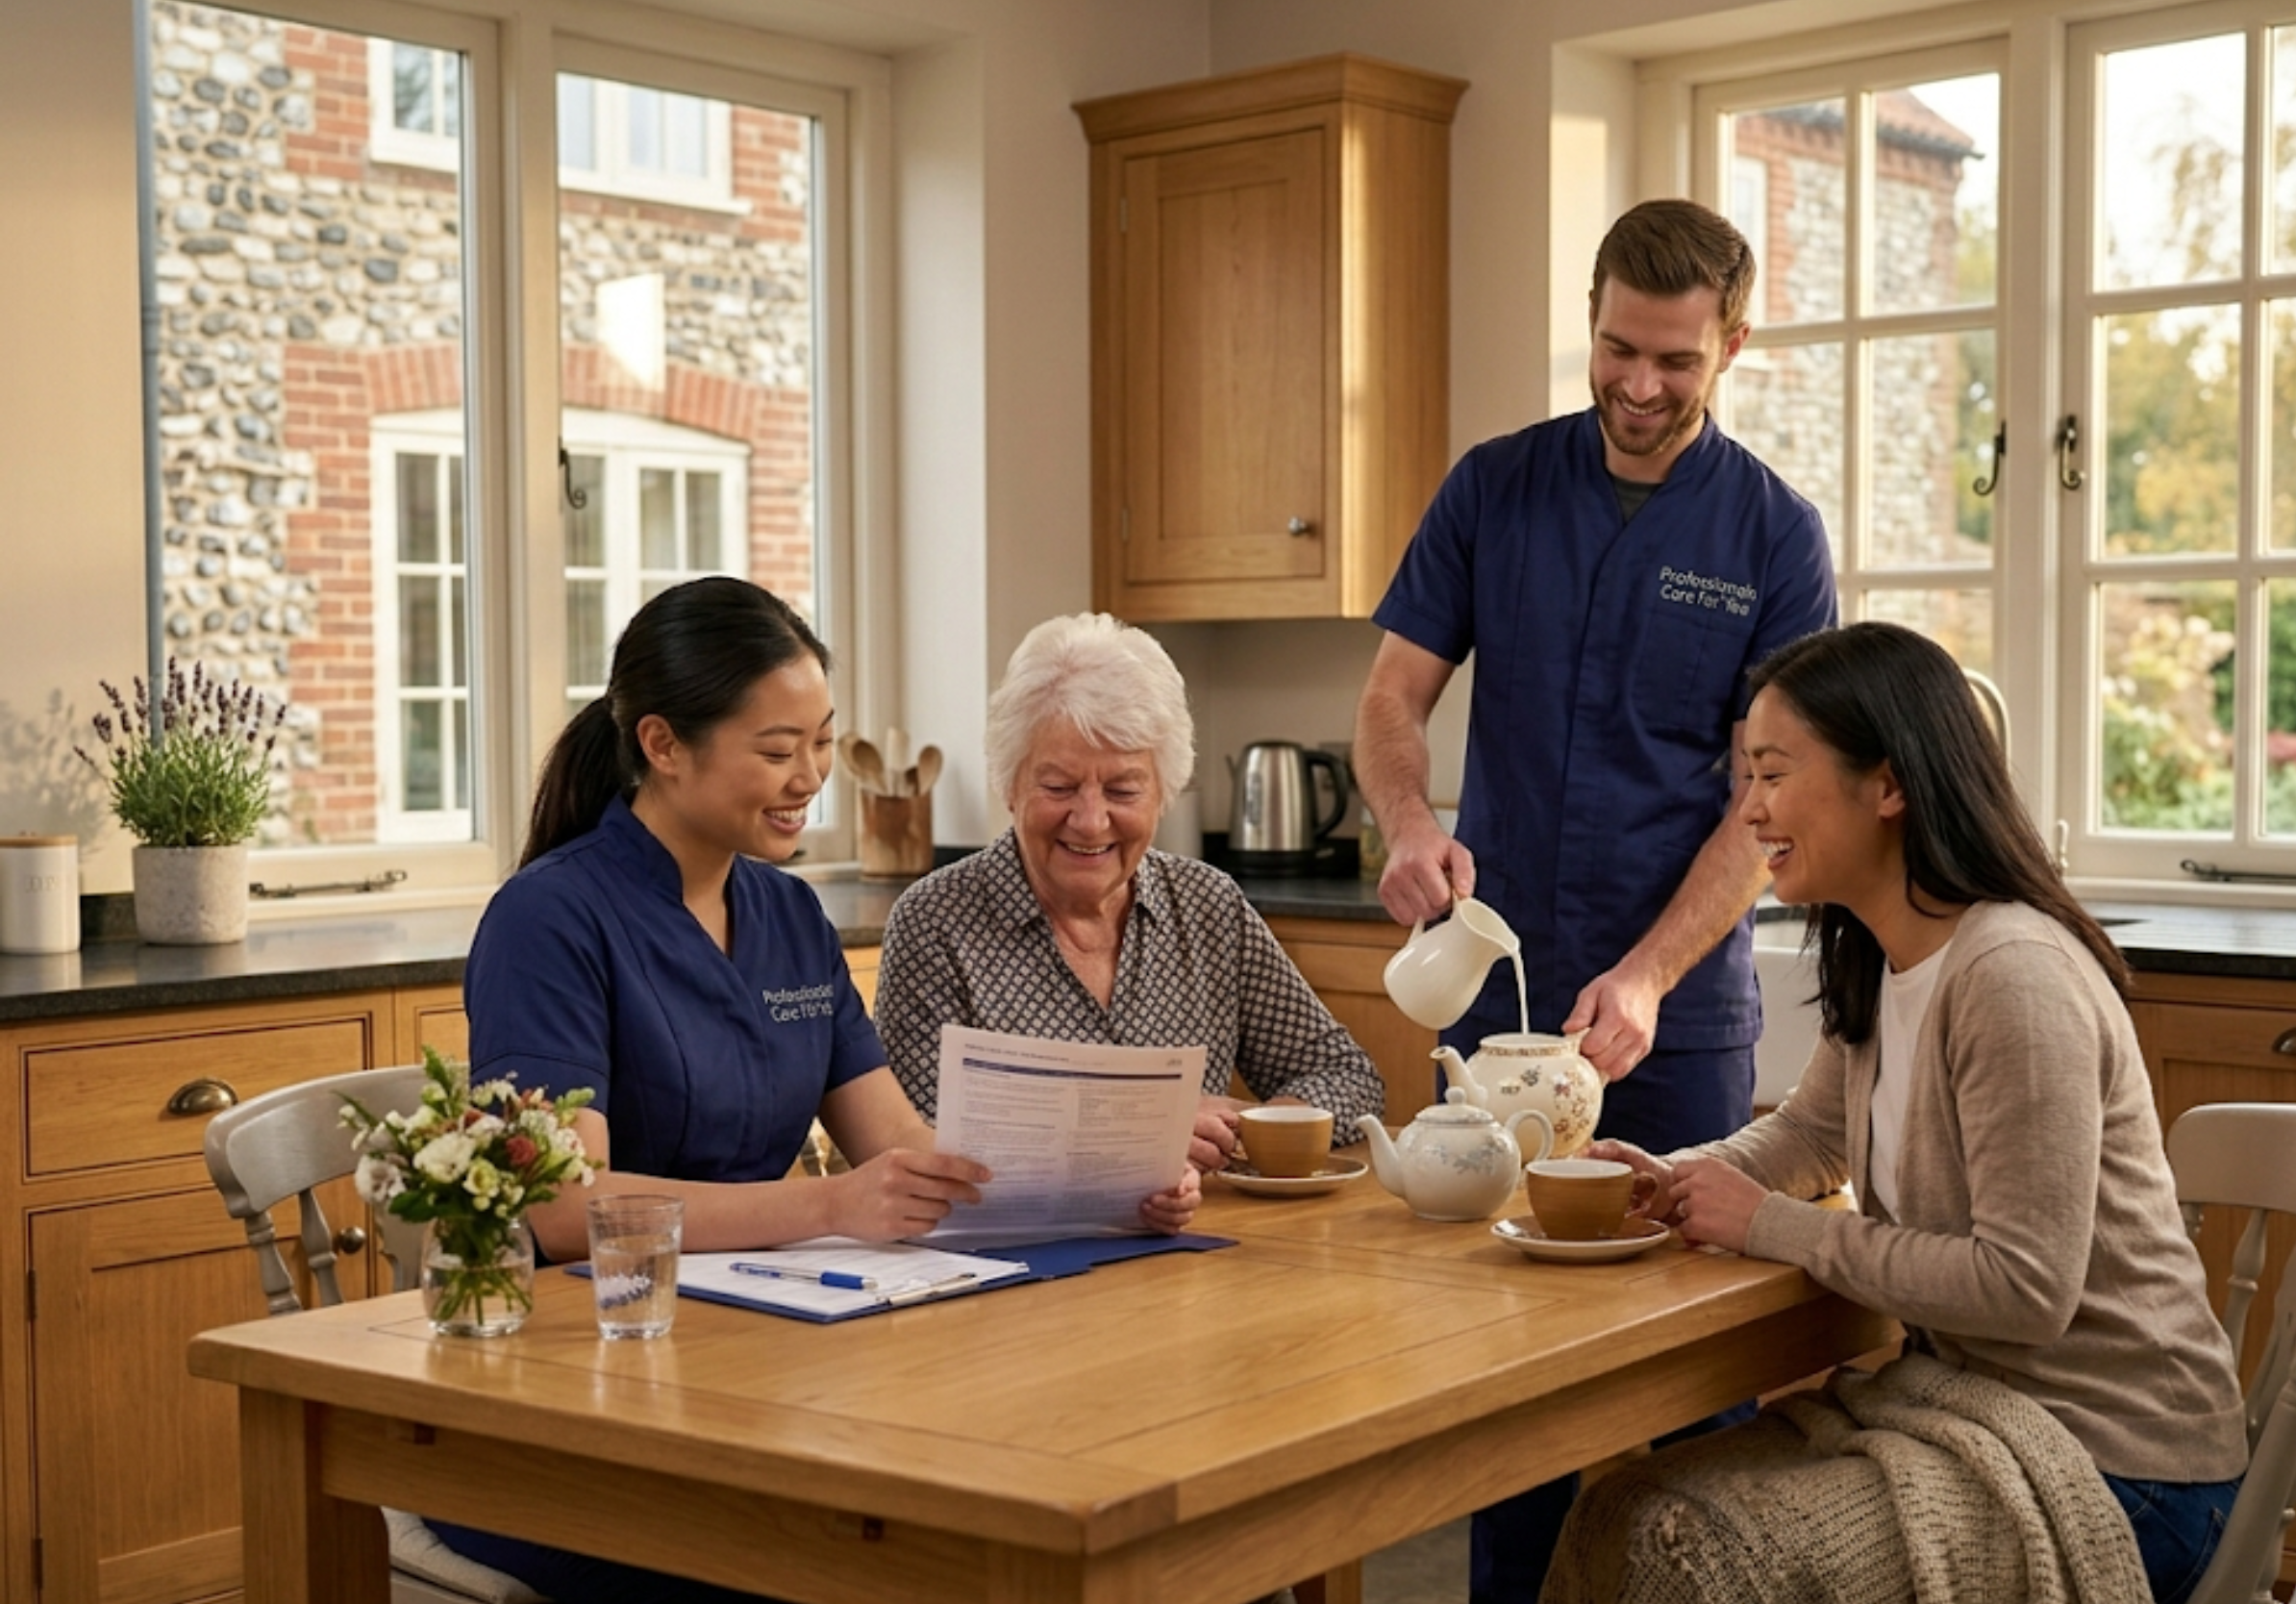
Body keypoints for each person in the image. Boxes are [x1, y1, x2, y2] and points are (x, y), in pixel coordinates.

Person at [429, 579, 1198, 1603]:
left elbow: (908, 1150)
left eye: (824, 743)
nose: (811, 781)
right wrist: (830, 1205)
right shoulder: (550, 922)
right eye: (778, 750)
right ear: (663, 744)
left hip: (759, 1369)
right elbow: (568, 1212)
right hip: (581, 1412)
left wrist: (1114, 1185)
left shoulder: (790, 918)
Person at [1352, 196, 1836, 1600]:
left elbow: (1775, 805)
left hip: (1672, 1024)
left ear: (1733, 344)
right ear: (1591, 319)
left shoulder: (1772, 535)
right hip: (1502, 1010)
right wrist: (1406, 824)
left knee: (1690, 1377)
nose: (1637, 386)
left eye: (1675, 362)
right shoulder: (1496, 487)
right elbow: (1395, 694)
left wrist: (1650, 974)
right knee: (1510, 1375)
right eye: (1617, 348)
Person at [1577, 620, 2246, 1603]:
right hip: (1975, 1408)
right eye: (1745, 777)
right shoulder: (1884, 952)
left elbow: (2026, 1287)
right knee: (1619, 1511)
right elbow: (1812, 1136)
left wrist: (1769, 1225)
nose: (1747, 810)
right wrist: (1679, 1181)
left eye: (1771, 774)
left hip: (2122, 1464)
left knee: (1701, 1552)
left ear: (1887, 786)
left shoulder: (2013, 976)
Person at [877, 612, 1385, 1175]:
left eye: (1123, 789)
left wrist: (1248, 1127)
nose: (1091, 821)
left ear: (1164, 792)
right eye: (1058, 787)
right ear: (1009, 785)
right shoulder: (935, 922)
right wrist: (1147, 1133)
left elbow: (1347, 1078)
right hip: (1019, 1252)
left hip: (1200, 1242)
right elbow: (917, 1143)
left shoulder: (1207, 905)